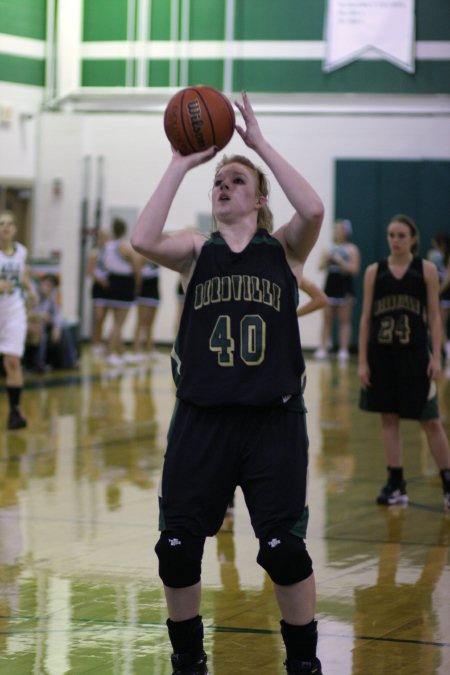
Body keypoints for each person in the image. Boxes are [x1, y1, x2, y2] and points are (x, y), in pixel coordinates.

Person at [131, 92, 325, 675]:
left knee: (284, 551)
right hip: (202, 420)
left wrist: (257, 144)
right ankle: (189, 662)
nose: (224, 186)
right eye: (219, 181)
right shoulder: (196, 252)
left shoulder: (283, 252)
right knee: (175, 551)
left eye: (237, 180)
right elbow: (142, 239)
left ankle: (303, 665)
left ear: (260, 198)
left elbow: (312, 209)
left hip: (272, 422)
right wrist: (180, 161)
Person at [358, 214, 450, 510]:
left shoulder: (426, 269)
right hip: (381, 354)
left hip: (415, 355)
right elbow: (365, 318)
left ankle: (448, 482)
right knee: (388, 418)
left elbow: (434, 316)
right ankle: (396, 482)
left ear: (413, 238)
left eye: (401, 235)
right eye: (391, 235)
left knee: (431, 421)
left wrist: (437, 356)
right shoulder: (375, 271)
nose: (394, 240)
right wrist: (362, 361)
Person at [0, 210, 38, 430]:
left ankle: (15, 411)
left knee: (12, 361)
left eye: (8, 224)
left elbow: (23, 276)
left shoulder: (21, 252)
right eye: (1, 223)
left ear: (14, 229)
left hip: (13, 310)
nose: (5, 227)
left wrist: (31, 289)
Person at [314, 219, 360, 362]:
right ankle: (323, 348)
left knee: (344, 320)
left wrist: (341, 261)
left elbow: (354, 270)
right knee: (326, 318)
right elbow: (320, 267)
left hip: (344, 285)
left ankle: (343, 349)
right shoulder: (328, 248)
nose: (337, 232)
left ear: (346, 232)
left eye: (340, 230)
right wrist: (327, 260)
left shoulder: (351, 249)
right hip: (330, 284)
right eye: (335, 229)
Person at [102, 218, 141, 366]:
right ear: (124, 230)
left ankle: (119, 351)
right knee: (119, 323)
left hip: (112, 282)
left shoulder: (108, 246)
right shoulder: (125, 247)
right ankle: (111, 353)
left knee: (115, 321)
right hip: (124, 283)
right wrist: (137, 285)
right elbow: (137, 267)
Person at [26, 274, 78, 371]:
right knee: (40, 330)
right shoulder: (32, 293)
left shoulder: (52, 295)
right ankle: (39, 364)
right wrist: (38, 316)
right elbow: (25, 312)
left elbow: (56, 315)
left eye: (50, 286)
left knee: (64, 328)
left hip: (45, 324)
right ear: (41, 283)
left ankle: (70, 361)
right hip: (31, 322)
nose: (47, 288)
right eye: (46, 284)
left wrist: (56, 327)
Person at [130, 256, 161, 361]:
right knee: (141, 322)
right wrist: (136, 291)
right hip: (144, 292)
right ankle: (137, 349)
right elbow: (137, 274)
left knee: (150, 323)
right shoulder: (141, 257)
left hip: (155, 292)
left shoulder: (156, 256)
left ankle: (149, 349)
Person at [427, 232, 450, 363]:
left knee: (440, 323)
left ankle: (446, 348)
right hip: (439, 292)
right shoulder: (433, 255)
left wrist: (438, 291)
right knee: (439, 323)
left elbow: (448, 278)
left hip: (446, 293)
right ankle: (444, 349)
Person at [87, 229, 110, 357]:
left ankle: (100, 341)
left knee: (104, 317)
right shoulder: (94, 253)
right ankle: (96, 342)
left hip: (108, 287)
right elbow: (90, 271)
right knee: (99, 316)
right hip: (99, 288)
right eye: (103, 237)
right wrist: (100, 280)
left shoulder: (110, 253)